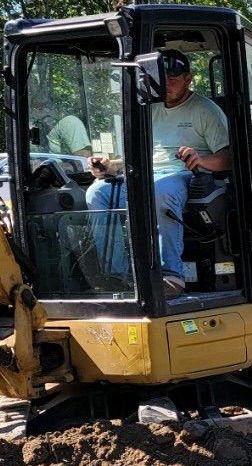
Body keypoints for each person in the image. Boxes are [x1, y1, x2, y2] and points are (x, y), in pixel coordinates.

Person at [86, 50, 230, 296]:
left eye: (173, 79)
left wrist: (201, 159)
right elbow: (138, 158)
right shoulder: (150, 110)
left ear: (188, 79)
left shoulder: (205, 109)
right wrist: (110, 166)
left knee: (159, 191)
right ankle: (116, 274)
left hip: (187, 174)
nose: (167, 85)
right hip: (147, 173)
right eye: (162, 80)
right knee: (97, 192)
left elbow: (228, 157)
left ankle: (171, 276)